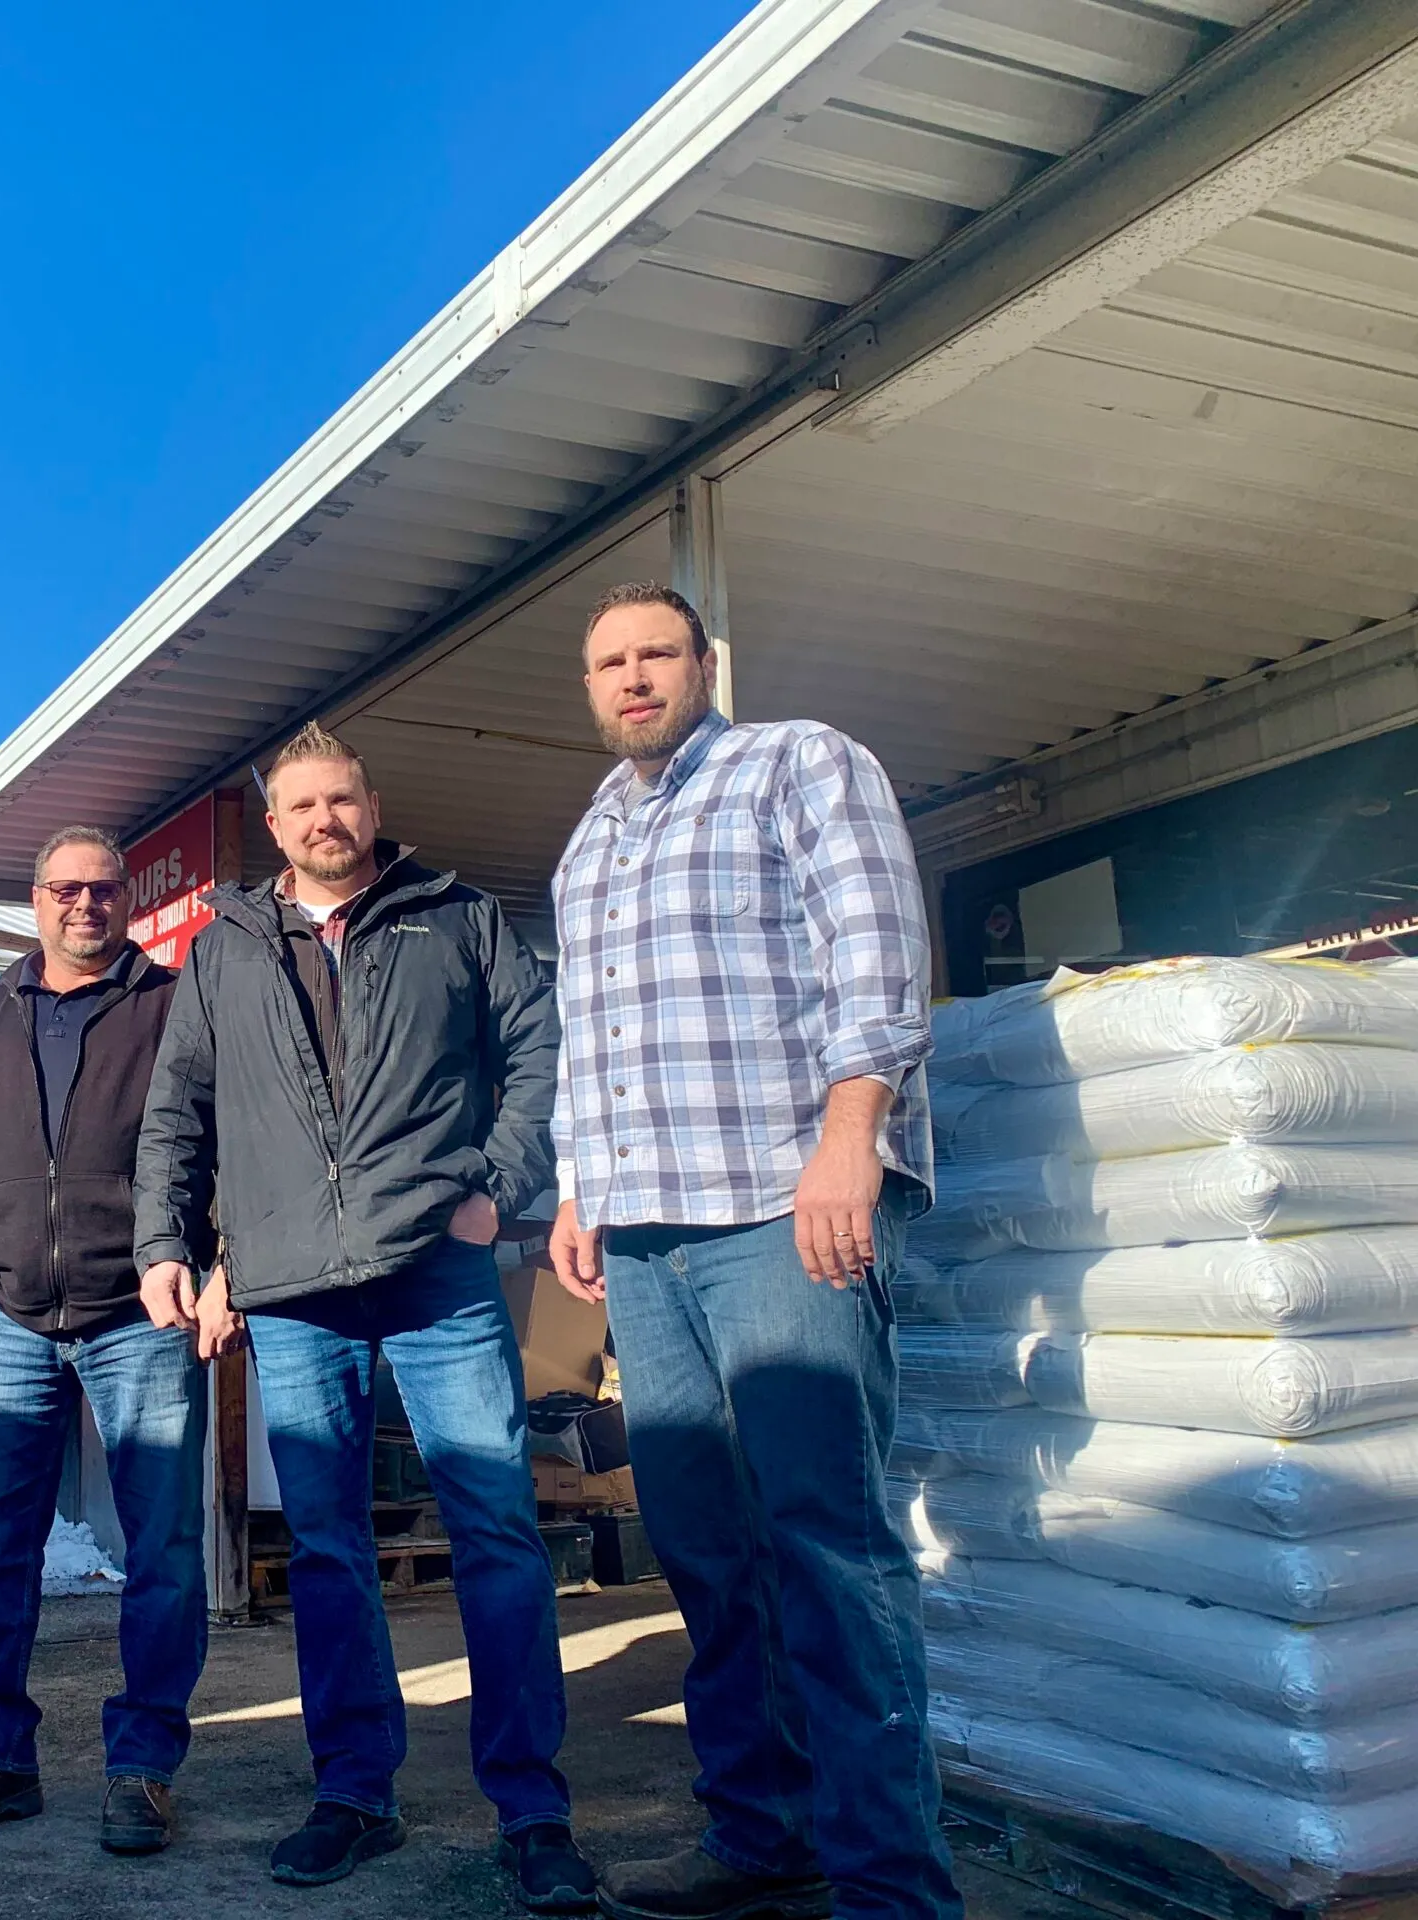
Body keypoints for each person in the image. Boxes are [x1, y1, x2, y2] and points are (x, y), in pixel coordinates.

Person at [546, 582, 958, 1920]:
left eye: (656, 653)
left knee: (825, 1538)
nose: (633, 677)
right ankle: (757, 1833)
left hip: (783, 1210)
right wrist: (575, 1187)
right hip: (647, 1236)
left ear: (702, 663)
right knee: (707, 1551)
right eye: (609, 662)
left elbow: (876, 952)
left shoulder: (799, 762)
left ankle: (890, 1883)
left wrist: (853, 1140)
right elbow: (586, 1039)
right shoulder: (588, 843)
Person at [135, 723, 589, 1911]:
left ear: (370, 805)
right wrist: (166, 1246)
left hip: (437, 1264)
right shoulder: (223, 946)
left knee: (493, 1529)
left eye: (341, 799)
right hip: (292, 1289)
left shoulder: (454, 913)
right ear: (273, 824)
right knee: (330, 1549)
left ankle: (533, 1810)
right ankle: (353, 1793)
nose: (324, 818)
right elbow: (179, 1108)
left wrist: (499, 1183)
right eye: (301, 805)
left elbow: (539, 1049)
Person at [0, 825, 205, 1857]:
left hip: (142, 1315)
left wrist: (220, 1272)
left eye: (103, 889)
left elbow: (228, 1143)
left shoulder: (175, 1008)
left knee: (160, 1548)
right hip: (7, 1318)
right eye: (65, 888)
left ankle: (145, 1767)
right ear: (35, 900)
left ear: (127, 901)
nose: (85, 904)